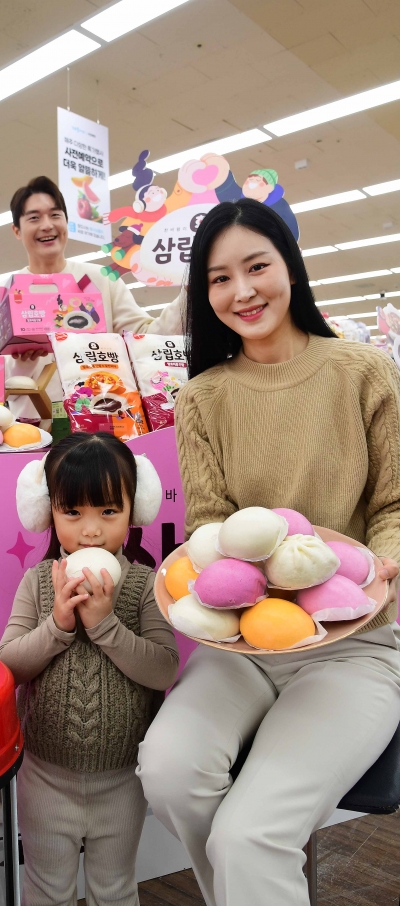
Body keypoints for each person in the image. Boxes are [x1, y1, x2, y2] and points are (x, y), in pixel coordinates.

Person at [136, 199, 400, 906]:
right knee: (166, 772)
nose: (242, 291)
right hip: (243, 648)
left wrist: (387, 557)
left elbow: (396, 505)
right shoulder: (202, 398)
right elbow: (213, 526)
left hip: (354, 644)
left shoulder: (366, 372)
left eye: (257, 267)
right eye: (220, 278)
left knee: (250, 836)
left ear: (291, 266)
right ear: (205, 293)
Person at [0, 432, 179, 906]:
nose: (91, 531)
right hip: (44, 774)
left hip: (122, 777)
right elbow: (8, 668)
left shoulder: (143, 586)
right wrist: (58, 623)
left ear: (135, 510)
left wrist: (105, 626)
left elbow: (163, 670)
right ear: (47, 512)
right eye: (72, 512)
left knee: (114, 888)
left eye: (108, 512)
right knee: (46, 886)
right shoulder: (38, 582)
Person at [0, 177, 184, 419]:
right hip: (32, 427)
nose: (47, 225)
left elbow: (146, 338)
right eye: (34, 218)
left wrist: (189, 295)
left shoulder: (102, 279)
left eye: (55, 215)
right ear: (16, 230)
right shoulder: (1, 294)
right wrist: (22, 363)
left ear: (66, 222)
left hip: (104, 417)